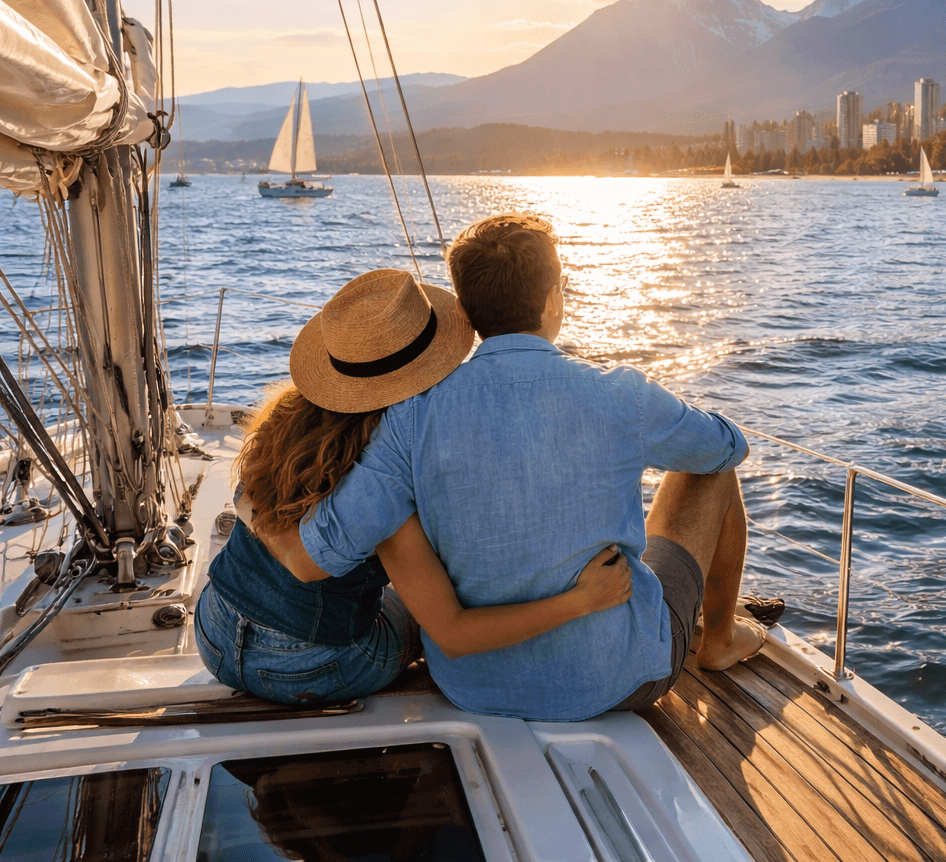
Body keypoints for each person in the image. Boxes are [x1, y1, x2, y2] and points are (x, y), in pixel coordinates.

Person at [276, 213, 767, 721]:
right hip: (616, 680)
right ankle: (720, 639)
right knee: (711, 470)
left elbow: (322, 552)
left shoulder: (410, 419)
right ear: (553, 298)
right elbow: (728, 447)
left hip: (471, 686)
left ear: (463, 311)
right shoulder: (621, 395)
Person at [194, 269, 632, 705]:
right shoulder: (385, 479)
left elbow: (256, 509)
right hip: (318, 666)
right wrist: (582, 600)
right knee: (427, 614)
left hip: (215, 630)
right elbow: (453, 634)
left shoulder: (287, 417)